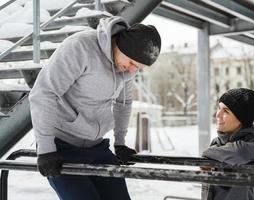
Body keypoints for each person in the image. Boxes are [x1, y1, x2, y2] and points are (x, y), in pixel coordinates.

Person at [29, 12, 161, 200]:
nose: (133, 71)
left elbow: (124, 103)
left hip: (97, 147)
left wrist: (120, 142)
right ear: (121, 46)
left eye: (138, 68)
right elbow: (44, 93)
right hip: (62, 147)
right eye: (132, 63)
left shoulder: (127, 70)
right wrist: (46, 150)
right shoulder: (81, 47)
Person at [201, 88, 254, 200]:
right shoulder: (217, 143)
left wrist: (207, 153)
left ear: (243, 119)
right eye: (219, 108)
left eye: (226, 111)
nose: (217, 115)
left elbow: (240, 152)